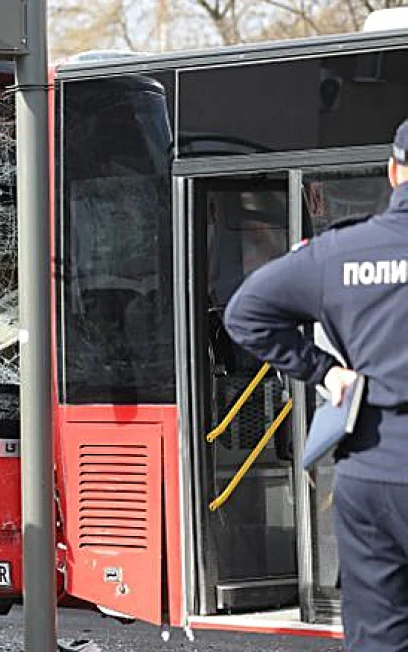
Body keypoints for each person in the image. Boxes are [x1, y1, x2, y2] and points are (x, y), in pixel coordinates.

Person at [225, 118, 408, 651]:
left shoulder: (342, 254)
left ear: (395, 172)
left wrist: (324, 371)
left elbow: (246, 313)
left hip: (373, 472)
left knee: (379, 636)